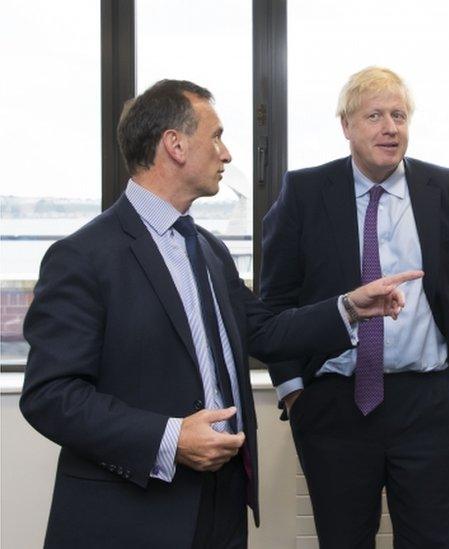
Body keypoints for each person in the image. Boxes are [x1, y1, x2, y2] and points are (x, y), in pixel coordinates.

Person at [19, 79, 421, 549]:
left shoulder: (207, 249)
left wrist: (350, 308)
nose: (227, 154)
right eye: (216, 136)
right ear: (175, 145)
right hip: (134, 515)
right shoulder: (84, 256)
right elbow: (51, 395)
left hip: (222, 504)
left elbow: (263, 331)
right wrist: (169, 439)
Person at [260, 66, 449, 548]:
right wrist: (293, 392)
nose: (390, 127)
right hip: (334, 406)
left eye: (399, 115)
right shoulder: (304, 192)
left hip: (430, 403)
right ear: (346, 125)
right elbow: (275, 303)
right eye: (374, 115)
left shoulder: (446, 189)